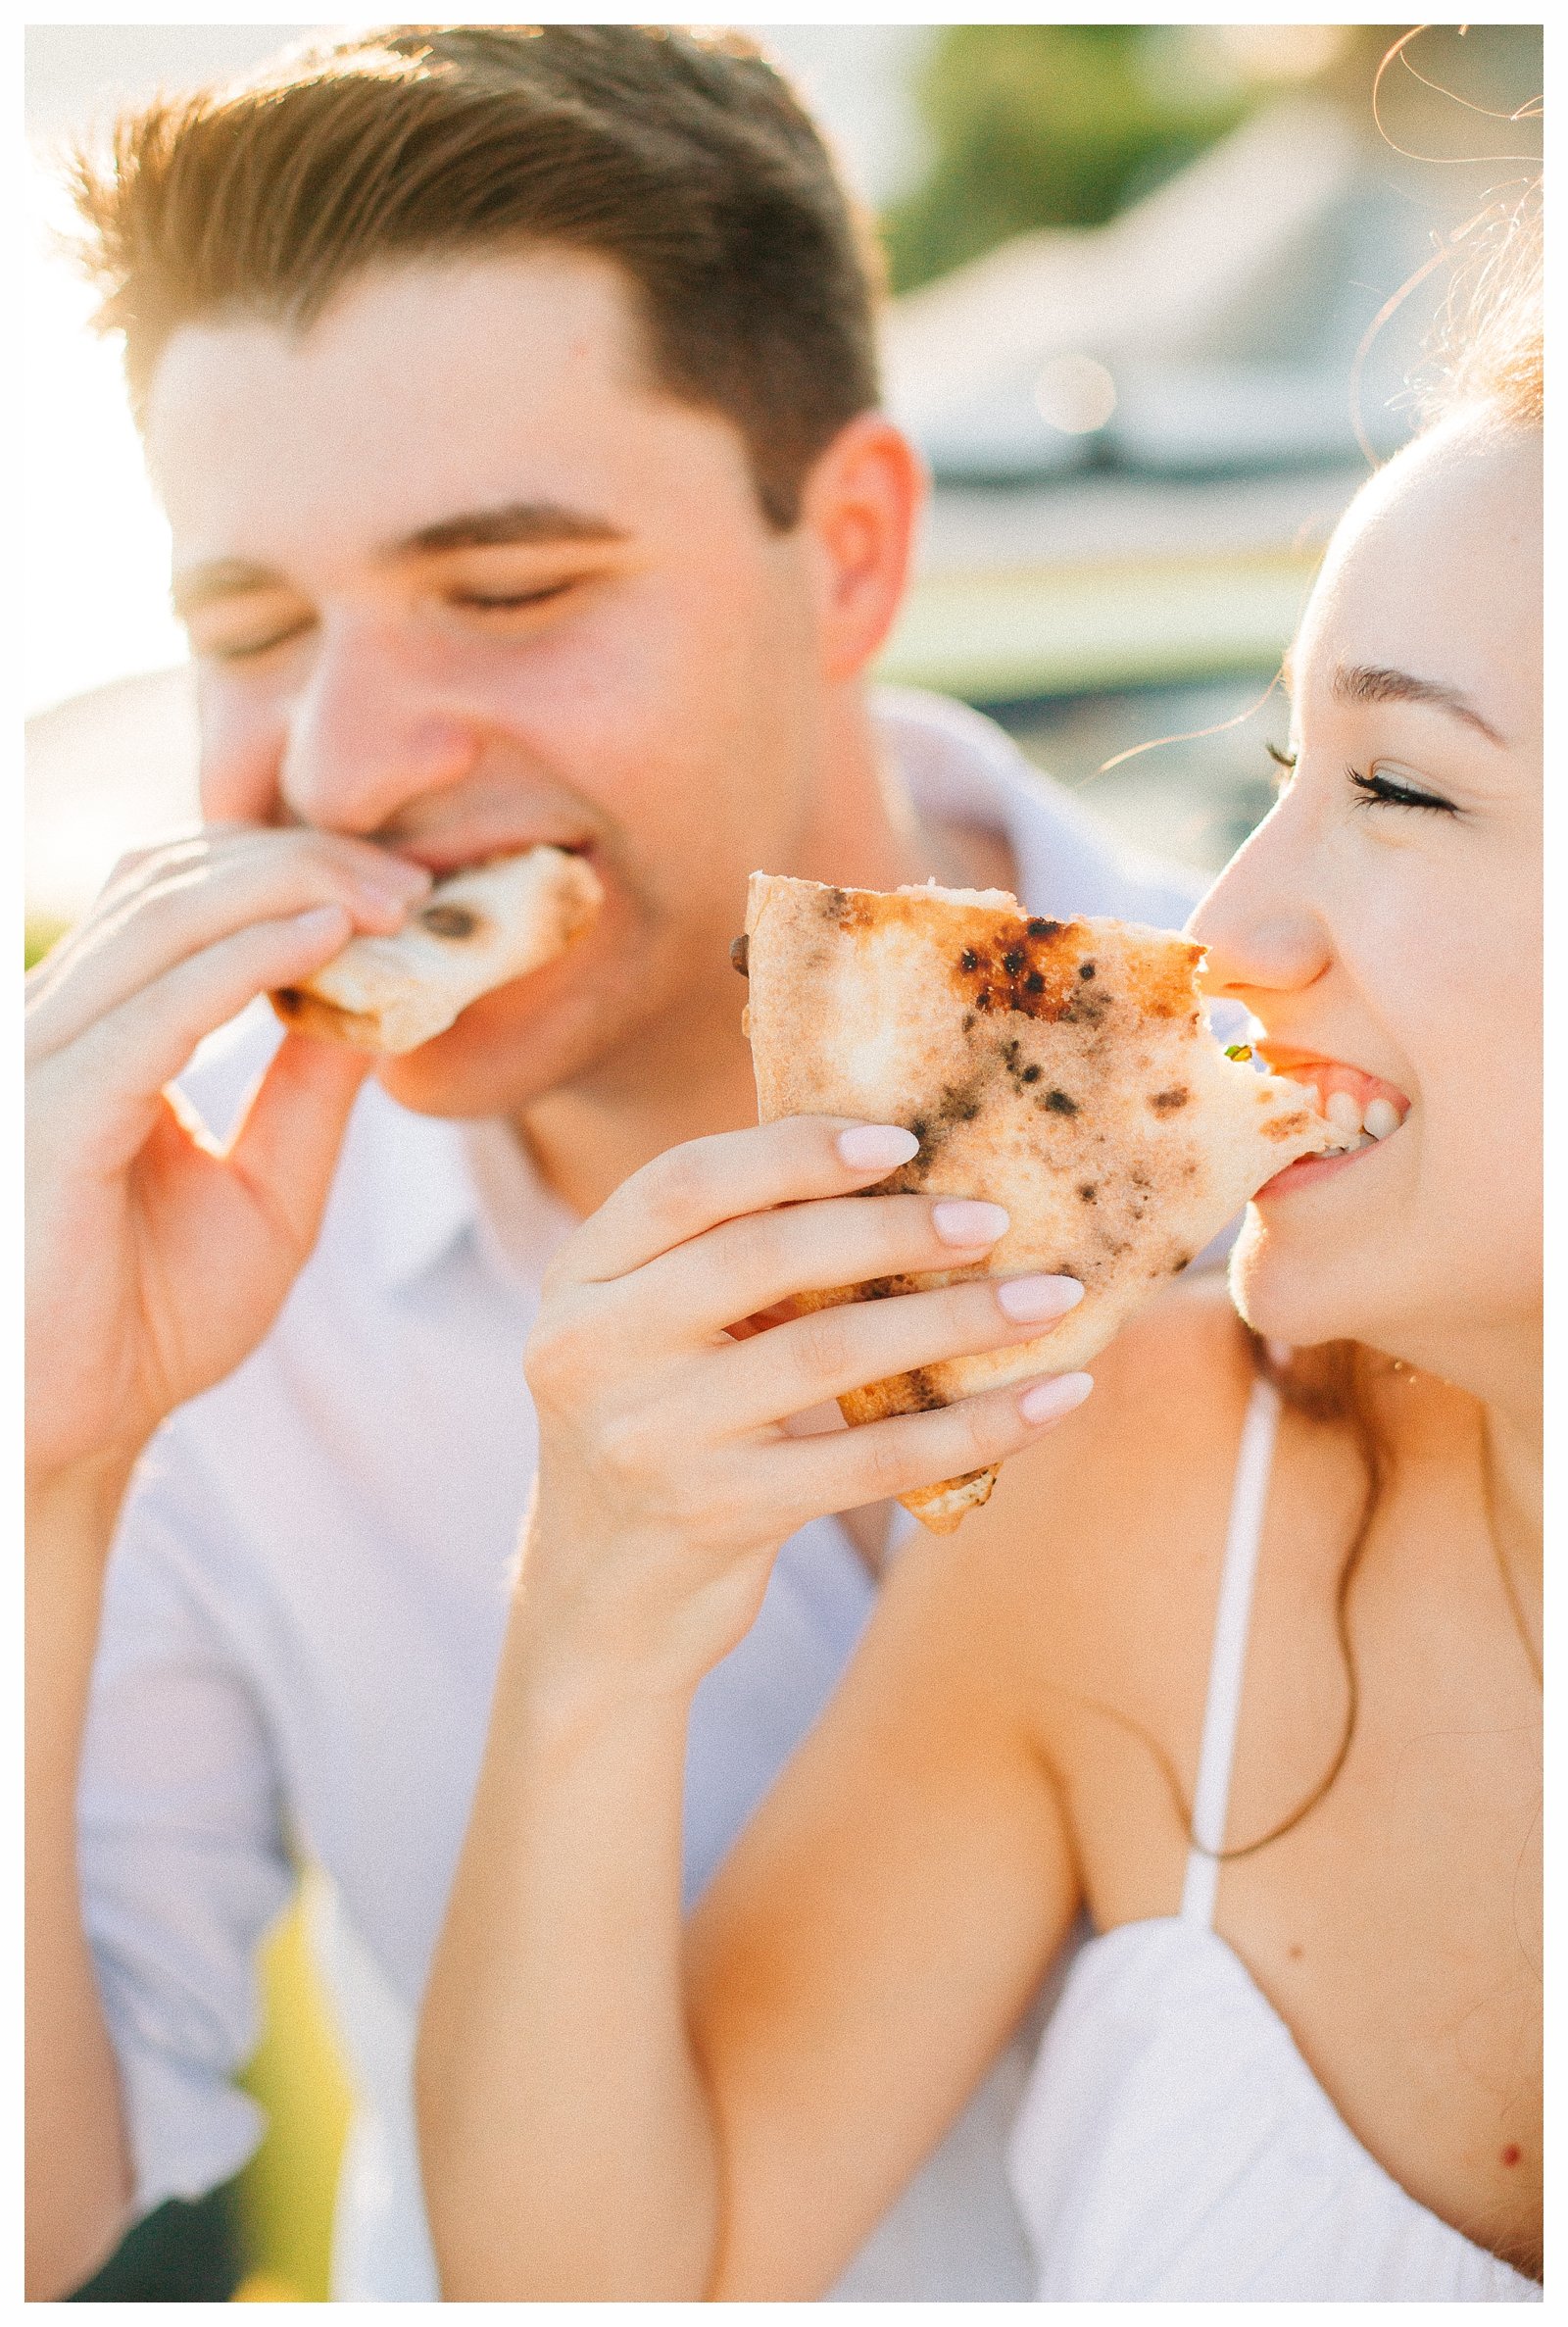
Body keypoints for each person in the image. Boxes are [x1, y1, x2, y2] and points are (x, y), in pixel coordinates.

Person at [24, 25, 1200, 2303]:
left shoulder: (1317, 1106)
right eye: (251, 628)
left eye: (507, 589)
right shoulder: (161, 1281)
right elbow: (37, 2219)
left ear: (844, 549)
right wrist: (44, 1475)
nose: (347, 763)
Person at [412, 212, 1543, 2299]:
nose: (1222, 921)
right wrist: (591, 1614)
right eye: (1283, 768)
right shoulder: (1134, 1494)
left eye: (1394, 781)